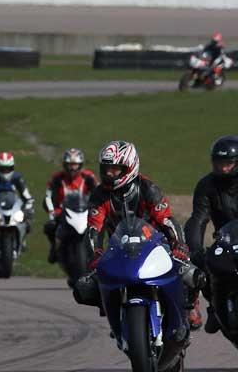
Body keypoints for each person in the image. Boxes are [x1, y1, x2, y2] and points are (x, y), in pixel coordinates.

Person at [73, 140, 204, 329]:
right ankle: (116, 317)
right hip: (119, 248)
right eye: (106, 168)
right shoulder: (99, 195)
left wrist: (178, 244)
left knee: (192, 273)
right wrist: (96, 255)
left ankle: (191, 305)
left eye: (115, 169)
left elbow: (166, 219)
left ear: (130, 167)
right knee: (84, 287)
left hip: (156, 244)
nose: (109, 173)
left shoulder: (148, 188)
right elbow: (94, 229)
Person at [185, 135, 238, 334]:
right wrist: (195, 249)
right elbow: (198, 218)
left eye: (228, 164)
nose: (223, 168)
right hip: (225, 241)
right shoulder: (206, 186)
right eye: (219, 163)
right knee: (204, 265)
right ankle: (215, 308)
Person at [43, 148, 99, 263]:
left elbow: (98, 193)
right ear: (65, 165)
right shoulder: (57, 178)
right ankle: (54, 248)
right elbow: (48, 196)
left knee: (97, 228)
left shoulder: (88, 177)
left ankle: (97, 252)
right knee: (50, 226)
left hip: (83, 211)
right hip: (62, 211)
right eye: (69, 165)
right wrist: (52, 212)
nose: (72, 168)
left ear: (80, 165)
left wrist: (96, 208)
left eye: (75, 165)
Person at [0, 152, 35, 251]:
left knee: (27, 222)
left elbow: (27, 196)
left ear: (13, 167)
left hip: (14, 205)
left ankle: (23, 240)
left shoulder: (18, 179)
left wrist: (27, 209)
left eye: (8, 169)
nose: (5, 172)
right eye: (2, 169)